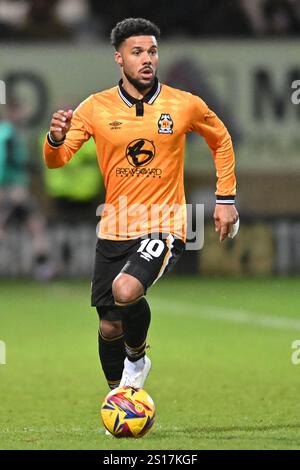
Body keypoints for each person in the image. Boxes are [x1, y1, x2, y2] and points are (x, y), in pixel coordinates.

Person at [43, 18, 238, 394]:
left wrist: (225, 198)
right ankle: (120, 397)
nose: (147, 59)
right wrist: (54, 139)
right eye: (137, 53)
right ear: (119, 58)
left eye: (152, 51)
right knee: (109, 325)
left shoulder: (183, 104)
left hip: (164, 225)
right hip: (114, 227)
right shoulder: (95, 108)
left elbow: (221, 139)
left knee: (127, 288)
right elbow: (58, 160)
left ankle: (136, 358)